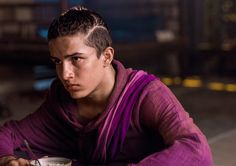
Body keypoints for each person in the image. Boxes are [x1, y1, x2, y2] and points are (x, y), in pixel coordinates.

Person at [0, 5, 212, 166]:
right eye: (57, 61)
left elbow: (196, 150)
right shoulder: (61, 101)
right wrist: (8, 159)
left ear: (106, 56)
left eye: (76, 59)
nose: (65, 74)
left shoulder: (145, 93)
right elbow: (9, 134)